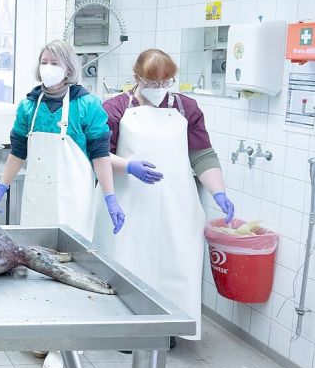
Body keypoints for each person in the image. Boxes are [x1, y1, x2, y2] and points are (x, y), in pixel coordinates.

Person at [0, 40, 122, 368]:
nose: (48, 66)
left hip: (73, 204)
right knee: (36, 267)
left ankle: (65, 344)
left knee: (71, 273)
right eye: (43, 60)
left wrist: (110, 196)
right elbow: (18, 151)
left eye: (54, 61)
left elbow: (100, 156)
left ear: (68, 67)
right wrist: (2, 187)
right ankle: (44, 333)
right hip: (37, 202)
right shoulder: (29, 106)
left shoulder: (87, 105)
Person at [96, 49, 234, 344]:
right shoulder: (116, 108)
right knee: (129, 263)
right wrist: (129, 167)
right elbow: (98, 155)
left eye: (166, 82)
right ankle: (125, 332)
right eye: (152, 82)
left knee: (176, 263)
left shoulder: (187, 108)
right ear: (137, 78)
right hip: (128, 203)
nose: (160, 89)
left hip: (176, 205)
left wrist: (218, 191)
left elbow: (201, 154)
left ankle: (167, 328)